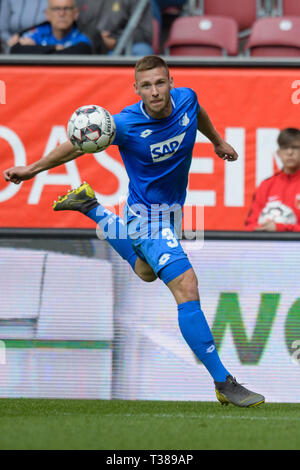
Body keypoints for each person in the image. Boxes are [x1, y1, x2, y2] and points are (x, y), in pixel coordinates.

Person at [3, 55, 265, 407]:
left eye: (159, 83)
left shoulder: (187, 98)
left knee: (144, 272)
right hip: (145, 217)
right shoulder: (123, 124)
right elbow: (74, 146)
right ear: (136, 89)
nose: (154, 91)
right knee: (186, 285)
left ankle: (90, 207)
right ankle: (224, 381)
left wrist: (216, 141)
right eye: (146, 86)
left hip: (171, 213)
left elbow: (198, 112)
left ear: (171, 81)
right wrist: (32, 169)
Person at [245, 127, 300, 232]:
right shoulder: (267, 185)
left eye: (295, 147)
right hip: (269, 246)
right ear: (278, 153)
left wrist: (282, 228)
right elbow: (250, 225)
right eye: (285, 148)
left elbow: (280, 228)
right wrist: (263, 228)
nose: (289, 152)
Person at [9, 0, 92, 55]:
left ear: (75, 13)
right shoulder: (39, 32)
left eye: (67, 8)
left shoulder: (83, 36)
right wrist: (54, 48)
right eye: (56, 9)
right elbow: (15, 50)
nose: (61, 14)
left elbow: (66, 57)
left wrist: (35, 49)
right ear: (47, 14)